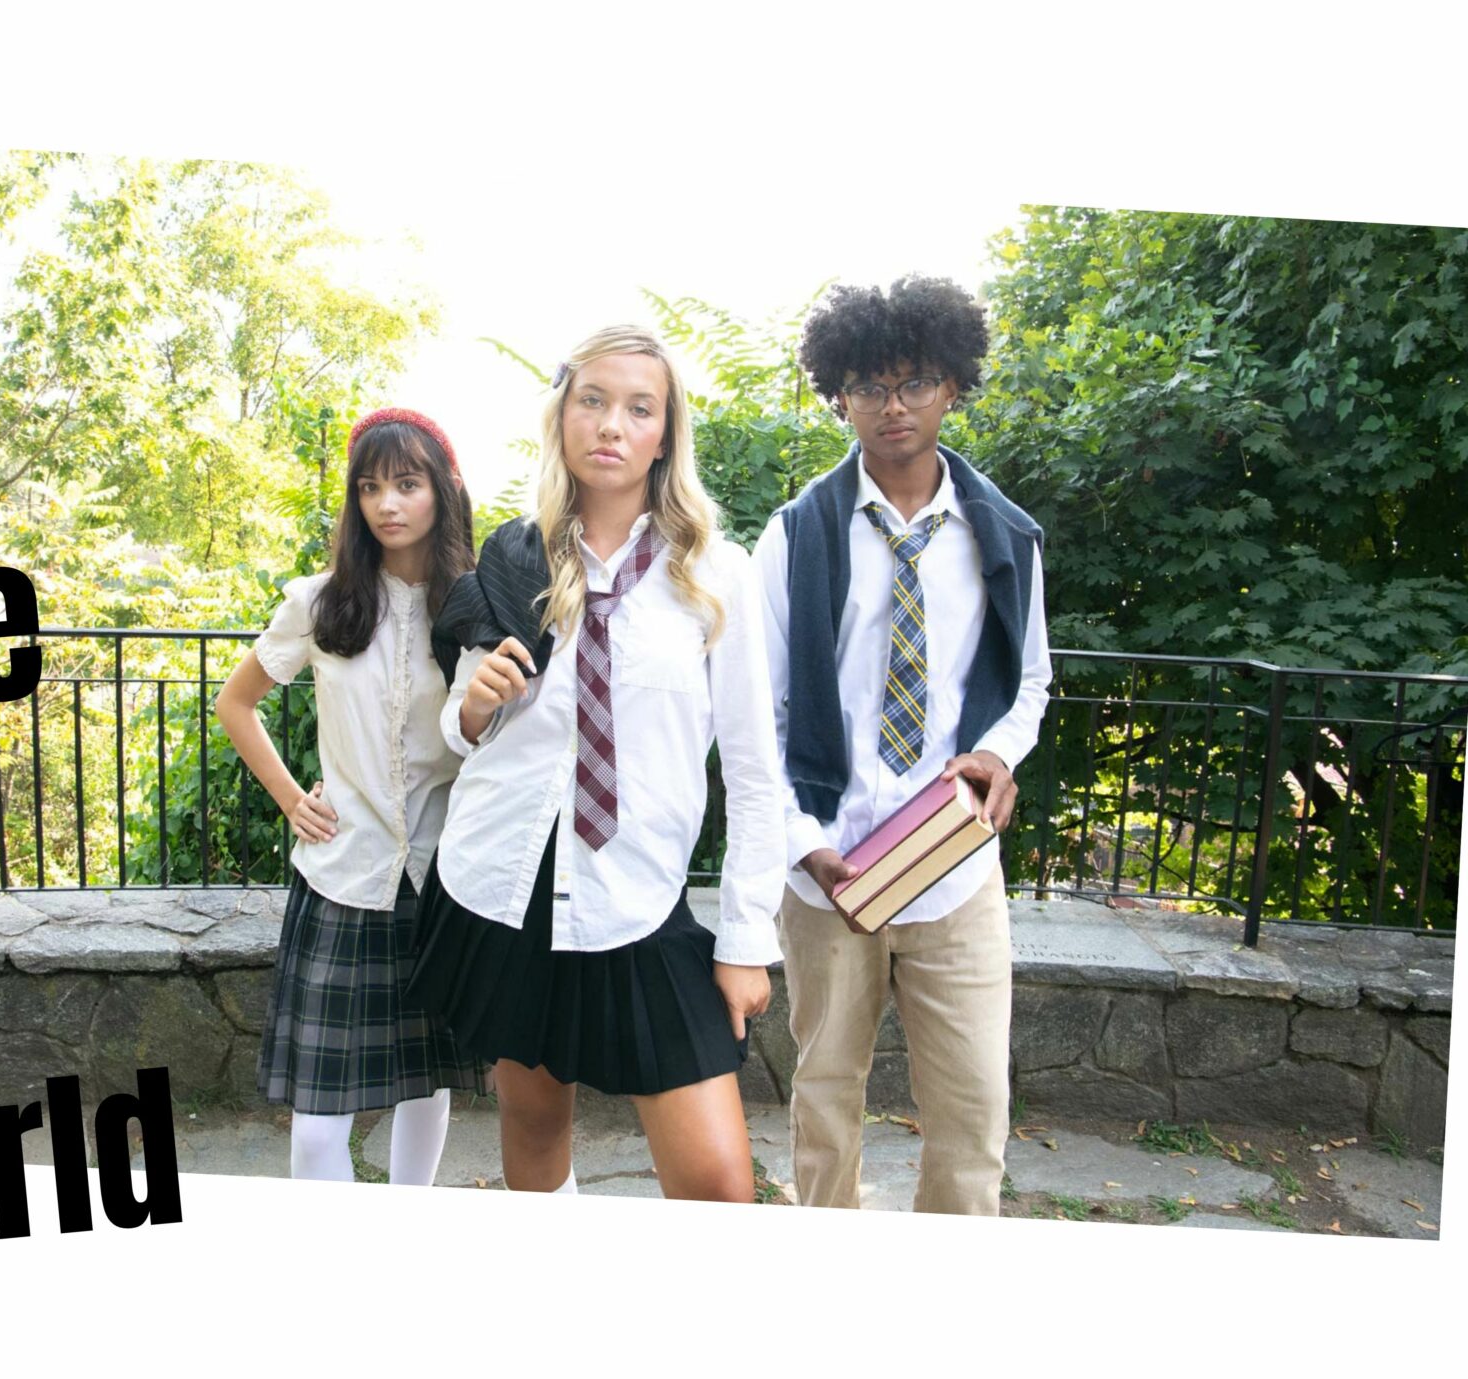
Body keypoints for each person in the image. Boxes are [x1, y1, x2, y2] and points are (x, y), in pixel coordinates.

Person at [410, 326, 788, 1202]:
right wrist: (472, 708)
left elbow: (756, 770)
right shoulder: (515, 556)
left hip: (637, 890)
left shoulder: (714, 575)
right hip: (506, 878)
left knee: (718, 1183)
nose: (611, 424)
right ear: (563, 418)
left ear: (665, 433)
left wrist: (743, 939)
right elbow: (464, 730)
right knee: (535, 1124)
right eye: (593, 400)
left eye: (638, 408)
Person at [752, 276, 1051, 1215]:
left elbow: (1031, 683)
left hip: (956, 869)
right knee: (827, 1102)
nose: (893, 406)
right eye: (869, 386)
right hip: (828, 869)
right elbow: (754, 709)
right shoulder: (795, 536)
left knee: (972, 1116)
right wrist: (804, 840)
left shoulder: (1005, 536)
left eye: (915, 382)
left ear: (952, 386)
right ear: (836, 394)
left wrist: (999, 753)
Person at [213, 407, 485, 1184]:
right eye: (370, 487)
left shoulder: (472, 604)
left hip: (441, 880)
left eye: (407, 482)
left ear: (443, 488)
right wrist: (291, 796)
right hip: (343, 875)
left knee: (426, 1087)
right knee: (316, 1127)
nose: (387, 503)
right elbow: (238, 702)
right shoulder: (323, 599)